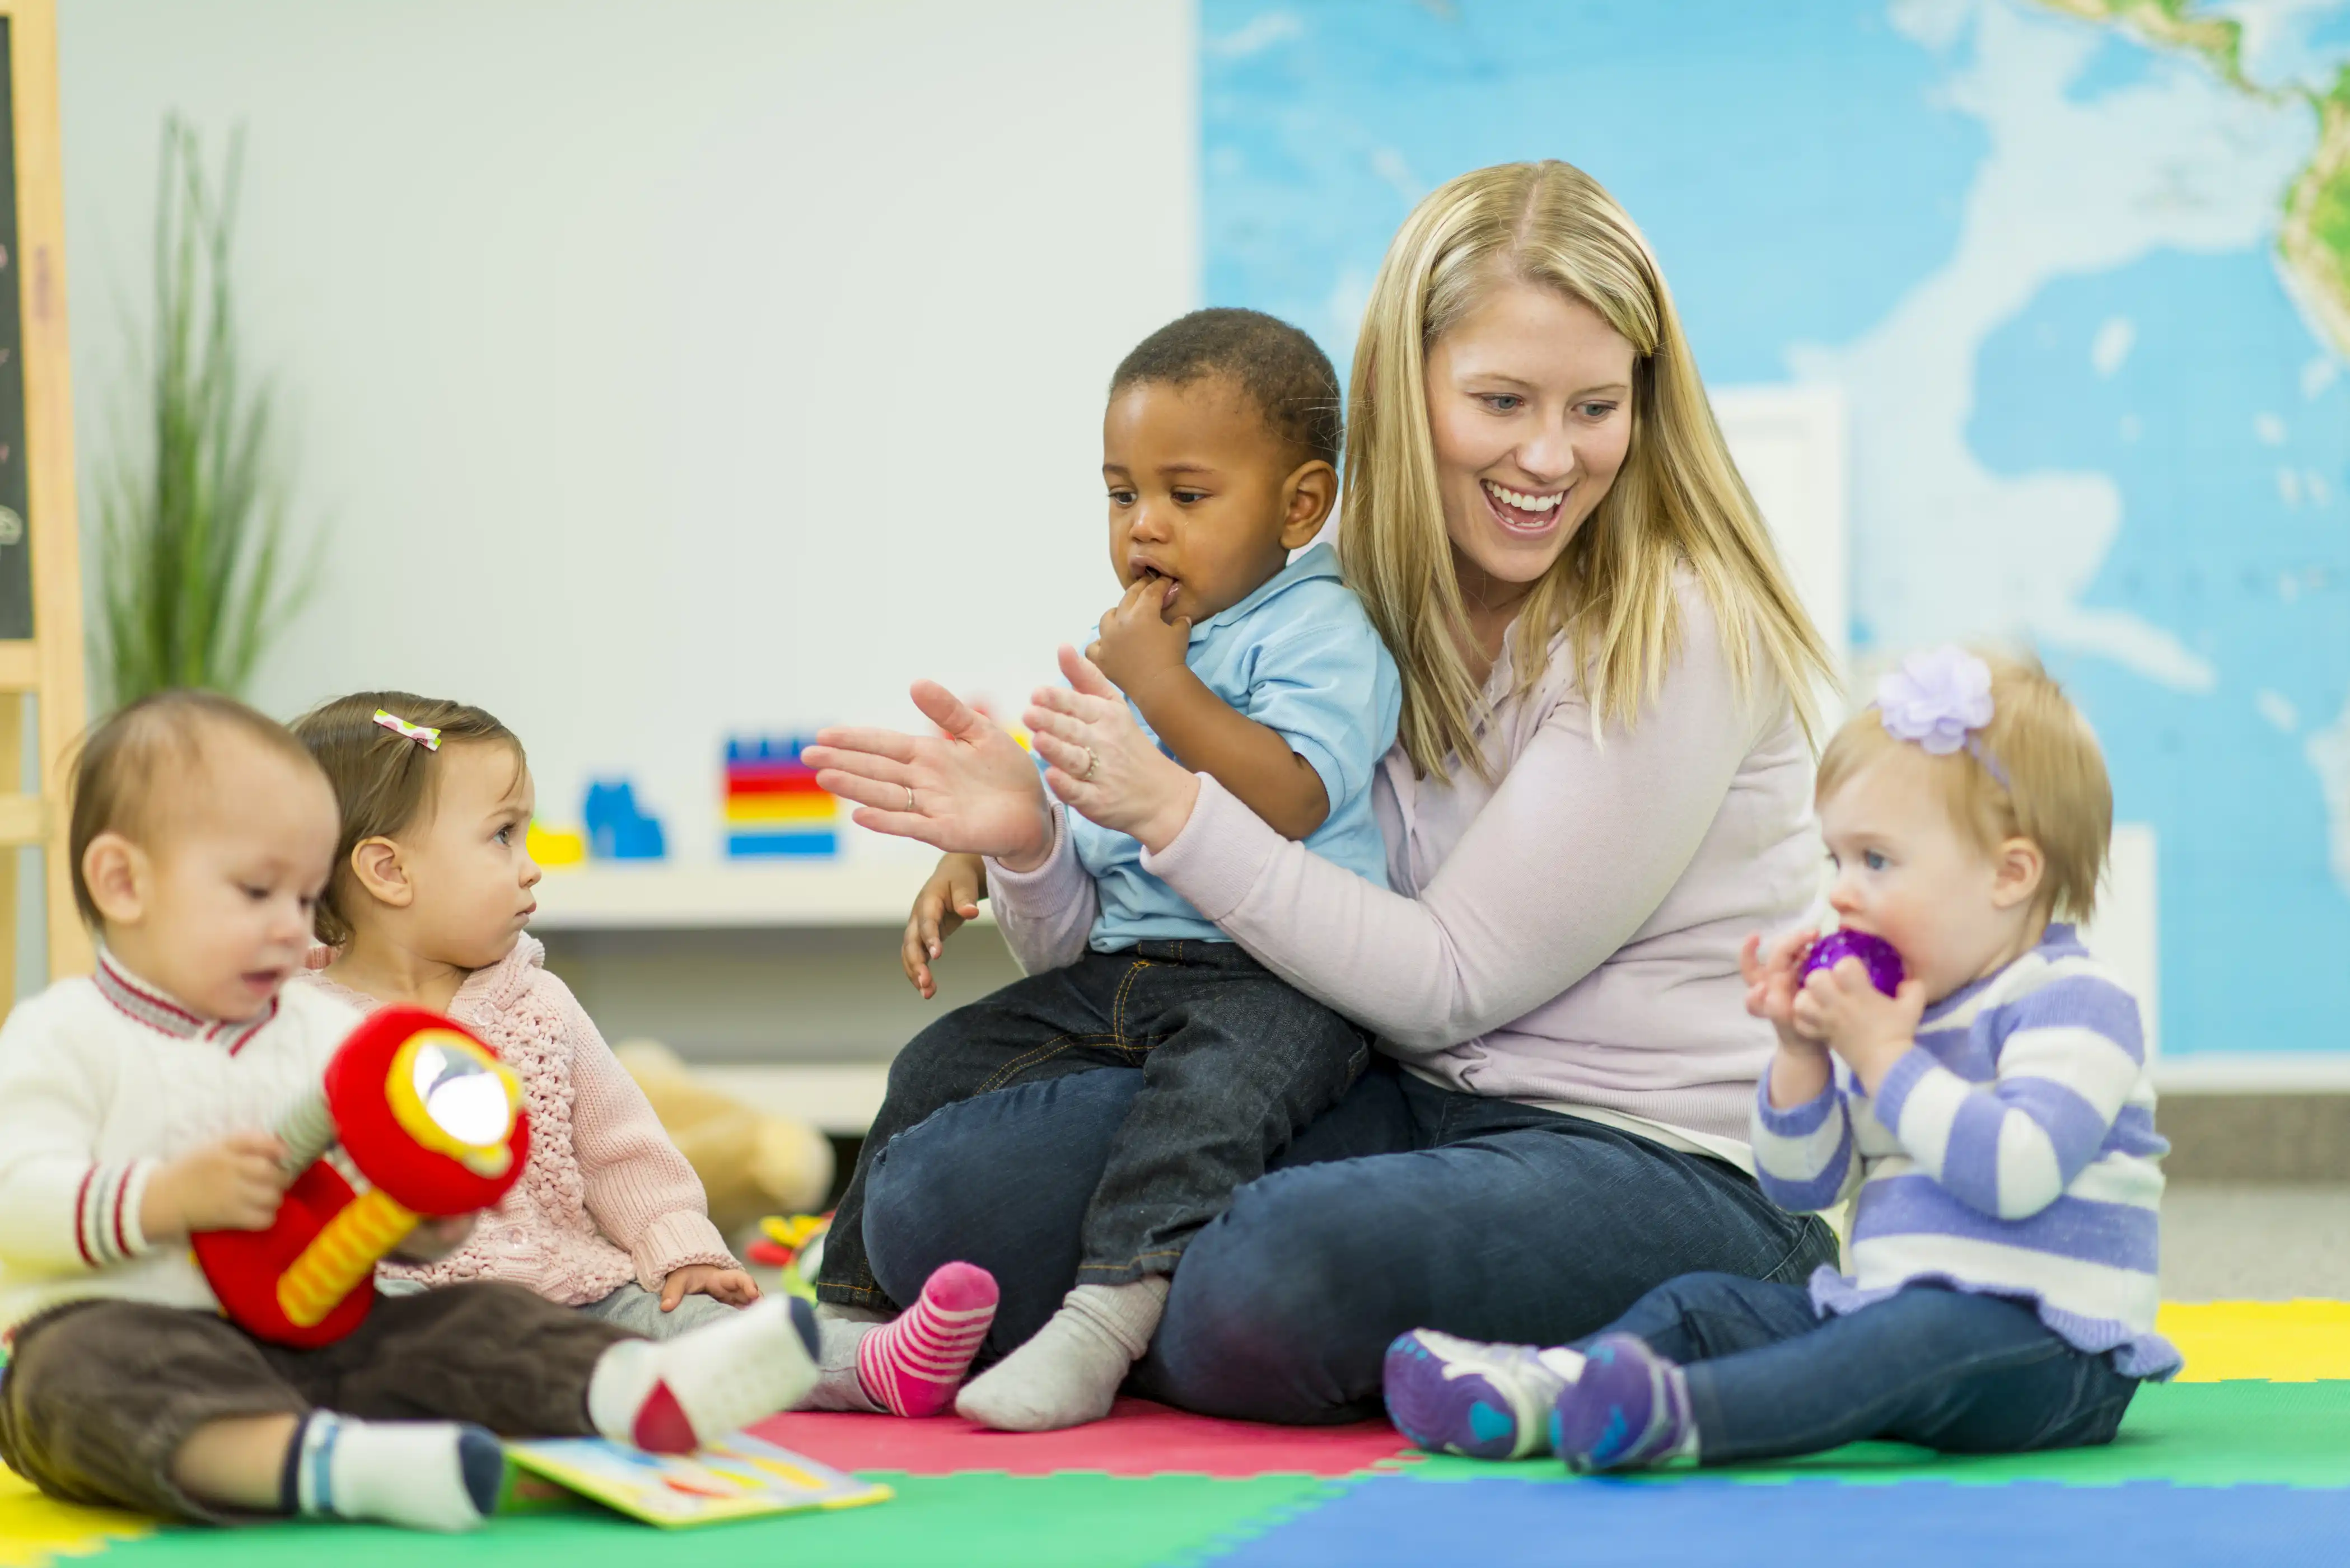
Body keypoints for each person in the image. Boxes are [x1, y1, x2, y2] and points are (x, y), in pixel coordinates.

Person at [804, 158, 1842, 1426]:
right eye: (1499, 400)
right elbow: (1118, 935)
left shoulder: (1677, 626)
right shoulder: (1332, 597)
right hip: (1394, 1098)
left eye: (1594, 406)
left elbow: (1451, 977)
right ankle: (1164, 1318)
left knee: (1263, 1279)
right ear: (1405, 401)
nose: (1547, 455)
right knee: (936, 1201)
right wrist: (1028, 839)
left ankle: (1177, 1321)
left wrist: (1171, 807)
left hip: (1649, 1156)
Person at [0, 691, 820, 1531]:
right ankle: (330, 1467)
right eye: (257, 894)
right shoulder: (64, 1036)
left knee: (477, 1314)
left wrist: (427, 1216)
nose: (293, 929)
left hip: (323, 1333)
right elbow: (15, 1199)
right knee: (76, 1376)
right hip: (144, 1336)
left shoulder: (316, 1029)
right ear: (124, 883)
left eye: (302, 896)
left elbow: (375, 1186)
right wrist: (162, 1200)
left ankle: (628, 1389)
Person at [808, 308, 1403, 1431]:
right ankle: (848, 1317)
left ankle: (1104, 1318)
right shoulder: (1142, 642)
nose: (1145, 528)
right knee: (941, 1059)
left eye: (1187, 495)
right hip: (1129, 965)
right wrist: (984, 846)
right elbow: (1084, 797)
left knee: (1200, 1111)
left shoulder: (1318, 629)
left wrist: (1163, 683)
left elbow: (1290, 794)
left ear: (1299, 505)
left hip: (1275, 980)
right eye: (1122, 495)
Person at [1387, 648, 2173, 1471]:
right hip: (1887, 1317)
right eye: (1836, 859)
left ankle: (1681, 1419)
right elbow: (1803, 1187)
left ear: (2009, 874)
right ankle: (1545, 1390)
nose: (1839, 890)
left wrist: (1884, 1058)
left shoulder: (2074, 1001)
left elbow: (2018, 1171)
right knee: (1704, 1305)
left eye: (1876, 860)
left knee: (1913, 1334)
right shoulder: (1899, 1014)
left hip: (2052, 1351)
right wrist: (1800, 1054)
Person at [288, 692, 995, 1413]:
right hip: (412, 1304)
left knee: (703, 1324)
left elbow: (622, 1150)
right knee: (377, 1342)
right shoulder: (297, 1028)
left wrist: (682, 1247)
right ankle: (576, 1399)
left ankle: (869, 1362)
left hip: (579, 1294)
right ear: (389, 871)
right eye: (503, 836)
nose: (531, 868)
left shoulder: (539, 1003)